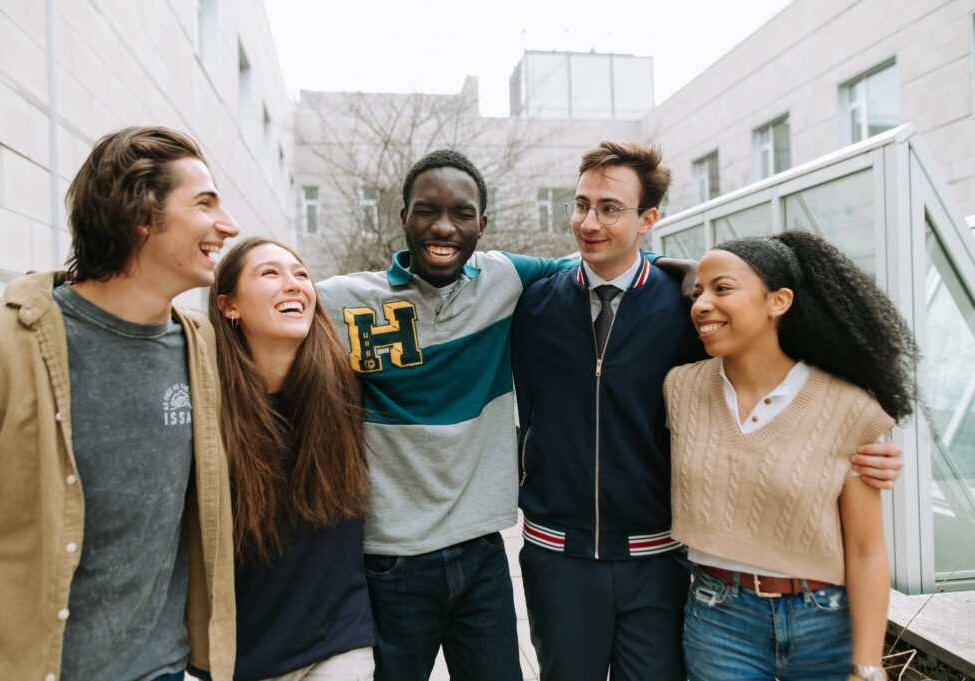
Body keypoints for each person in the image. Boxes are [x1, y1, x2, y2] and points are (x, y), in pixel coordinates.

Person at [509, 141, 904, 681]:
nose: (589, 222)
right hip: (557, 557)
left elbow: (775, 359)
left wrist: (865, 440)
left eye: (609, 208)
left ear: (648, 219)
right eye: (581, 205)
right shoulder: (532, 305)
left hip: (660, 561)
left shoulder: (685, 308)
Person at [0, 126, 240, 681]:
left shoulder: (200, 344)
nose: (228, 225)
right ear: (141, 216)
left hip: (160, 669)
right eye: (205, 204)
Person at [315, 149, 592, 681]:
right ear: (404, 217)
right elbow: (261, 301)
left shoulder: (504, 278)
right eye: (427, 210)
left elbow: (596, 272)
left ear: (481, 225)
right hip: (389, 560)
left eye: (462, 213)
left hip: (482, 552)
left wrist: (685, 272)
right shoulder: (344, 301)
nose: (443, 226)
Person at [664, 231, 918, 681]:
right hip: (718, 619)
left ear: (778, 301)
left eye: (722, 289)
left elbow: (865, 551)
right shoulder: (681, 388)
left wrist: (868, 667)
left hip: (825, 621)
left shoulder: (848, 408)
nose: (701, 304)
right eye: (697, 293)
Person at [203, 236, 374, 681]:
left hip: (339, 640)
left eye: (301, 274)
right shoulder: (205, 407)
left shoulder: (345, 389)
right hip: (243, 657)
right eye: (270, 273)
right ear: (229, 306)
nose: (294, 283)